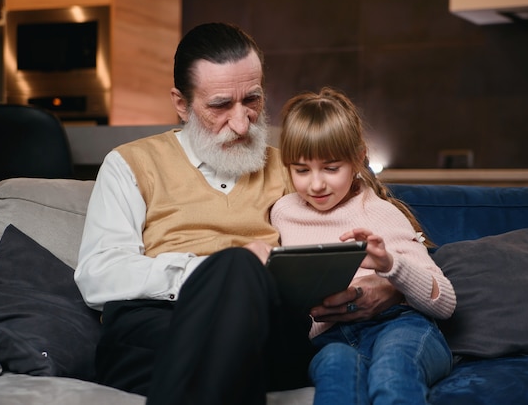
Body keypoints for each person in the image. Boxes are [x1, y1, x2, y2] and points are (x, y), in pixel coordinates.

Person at [74, 23, 403, 405]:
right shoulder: (130, 164)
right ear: (181, 103)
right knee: (236, 268)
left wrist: (389, 288)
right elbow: (98, 275)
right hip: (158, 328)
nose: (242, 122)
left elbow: (379, 236)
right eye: (220, 105)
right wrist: (213, 271)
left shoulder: (295, 169)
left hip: (266, 332)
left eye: (252, 99)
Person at [270, 87, 457, 405]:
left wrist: (390, 265)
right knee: (335, 366)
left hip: (399, 326)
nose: (316, 184)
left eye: (331, 168)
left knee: (393, 367)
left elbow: (446, 303)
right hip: (332, 339)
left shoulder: (380, 212)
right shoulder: (283, 212)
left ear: (357, 159)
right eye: (301, 170)